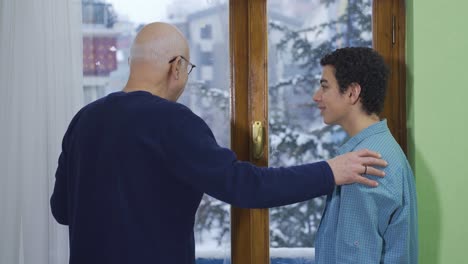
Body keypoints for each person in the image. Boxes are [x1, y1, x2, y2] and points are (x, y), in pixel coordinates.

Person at [50, 23, 387, 264]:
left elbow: (61, 211)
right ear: (177, 68)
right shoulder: (173, 121)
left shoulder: (83, 120)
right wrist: (330, 172)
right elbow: (245, 186)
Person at [313, 47, 418, 263]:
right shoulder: (385, 148)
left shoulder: (362, 164)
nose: (316, 97)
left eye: (324, 87)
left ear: (352, 93)